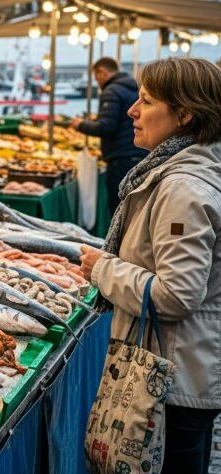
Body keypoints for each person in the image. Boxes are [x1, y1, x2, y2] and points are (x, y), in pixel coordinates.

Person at [79, 58, 221, 474]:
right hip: (181, 371)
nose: (131, 111)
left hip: (173, 383)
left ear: (184, 114)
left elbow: (176, 295)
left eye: (146, 101)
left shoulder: (182, 188)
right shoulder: (182, 171)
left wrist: (102, 268)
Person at [71, 57, 147, 215]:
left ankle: (117, 240)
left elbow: (106, 127)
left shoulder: (111, 91)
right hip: (138, 153)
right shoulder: (132, 87)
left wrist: (80, 125)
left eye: (96, 77)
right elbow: (119, 120)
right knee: (132, 209)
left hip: (121, 158)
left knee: (118, 209)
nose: (97, 82)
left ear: (102, 72)